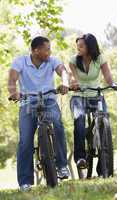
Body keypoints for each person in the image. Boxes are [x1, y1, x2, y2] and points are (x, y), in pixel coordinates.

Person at [8, 36, 70, 191]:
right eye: (47, 49)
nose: (49, 52)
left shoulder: (52, 61)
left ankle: (62, 165)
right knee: (25, 141)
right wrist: (13, 92)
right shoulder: (20, 62)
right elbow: (12, 80)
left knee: (57, 125)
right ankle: (25, 182)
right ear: (36, 50)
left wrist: (65, 83)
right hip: (28, 101)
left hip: (48, 99)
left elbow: (63, 72)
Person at [68, 33, 117, 172]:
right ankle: (80, 157)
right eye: (77, 46)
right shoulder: (74, 60)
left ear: (90, 46)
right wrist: (73, 83)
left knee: (105, 121)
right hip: (79, 97)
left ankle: (103, 166)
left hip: (96, 95)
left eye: (81, 46)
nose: (78, 48)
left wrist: (114, 84)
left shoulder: (100, 59)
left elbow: (108, 77)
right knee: (79, 120)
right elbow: (72, 77)